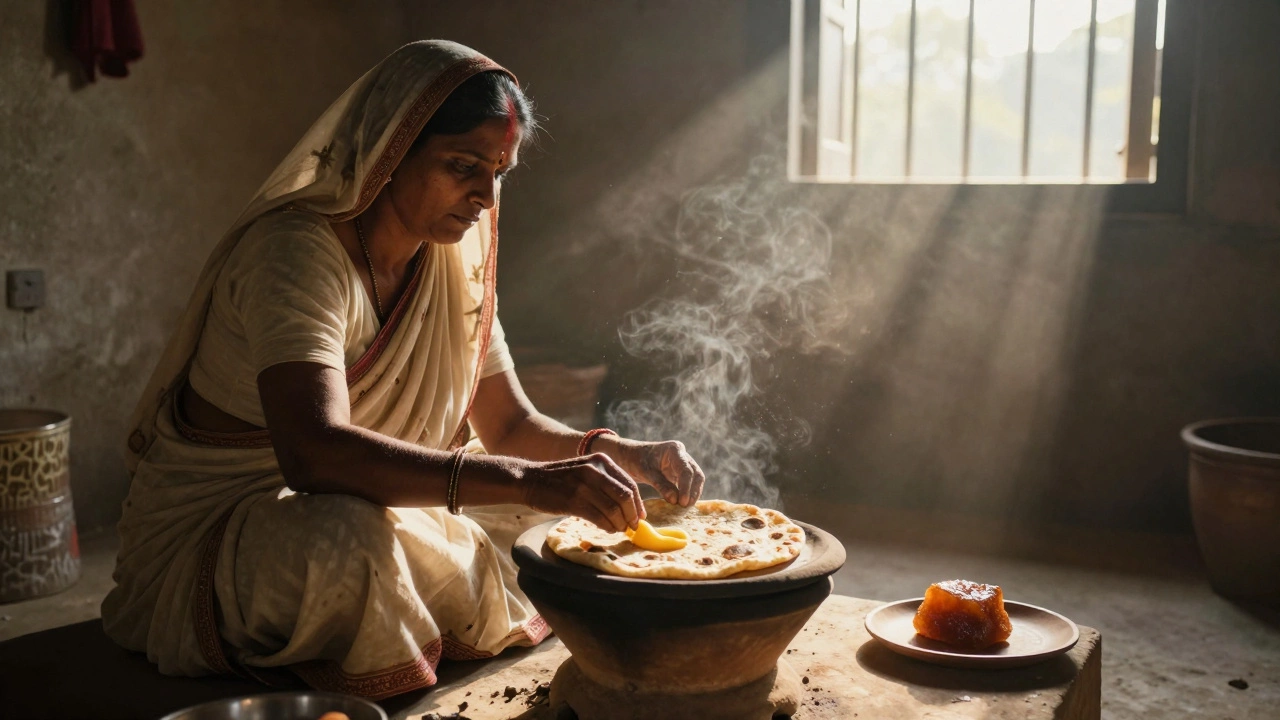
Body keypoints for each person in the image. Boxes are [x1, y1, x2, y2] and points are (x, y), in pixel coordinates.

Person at [102, 40, 705, 699]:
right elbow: (313, 454)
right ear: (387, 151)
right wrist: (530, 482)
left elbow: (507, 426)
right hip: (234, 525)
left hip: (362, 493)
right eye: (463, 166)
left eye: (499, 172)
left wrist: (619, 454)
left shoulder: (452, 258)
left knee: (555, 524)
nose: (484, 196)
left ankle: (413, 615)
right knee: (354, 543)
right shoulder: (294, 253)